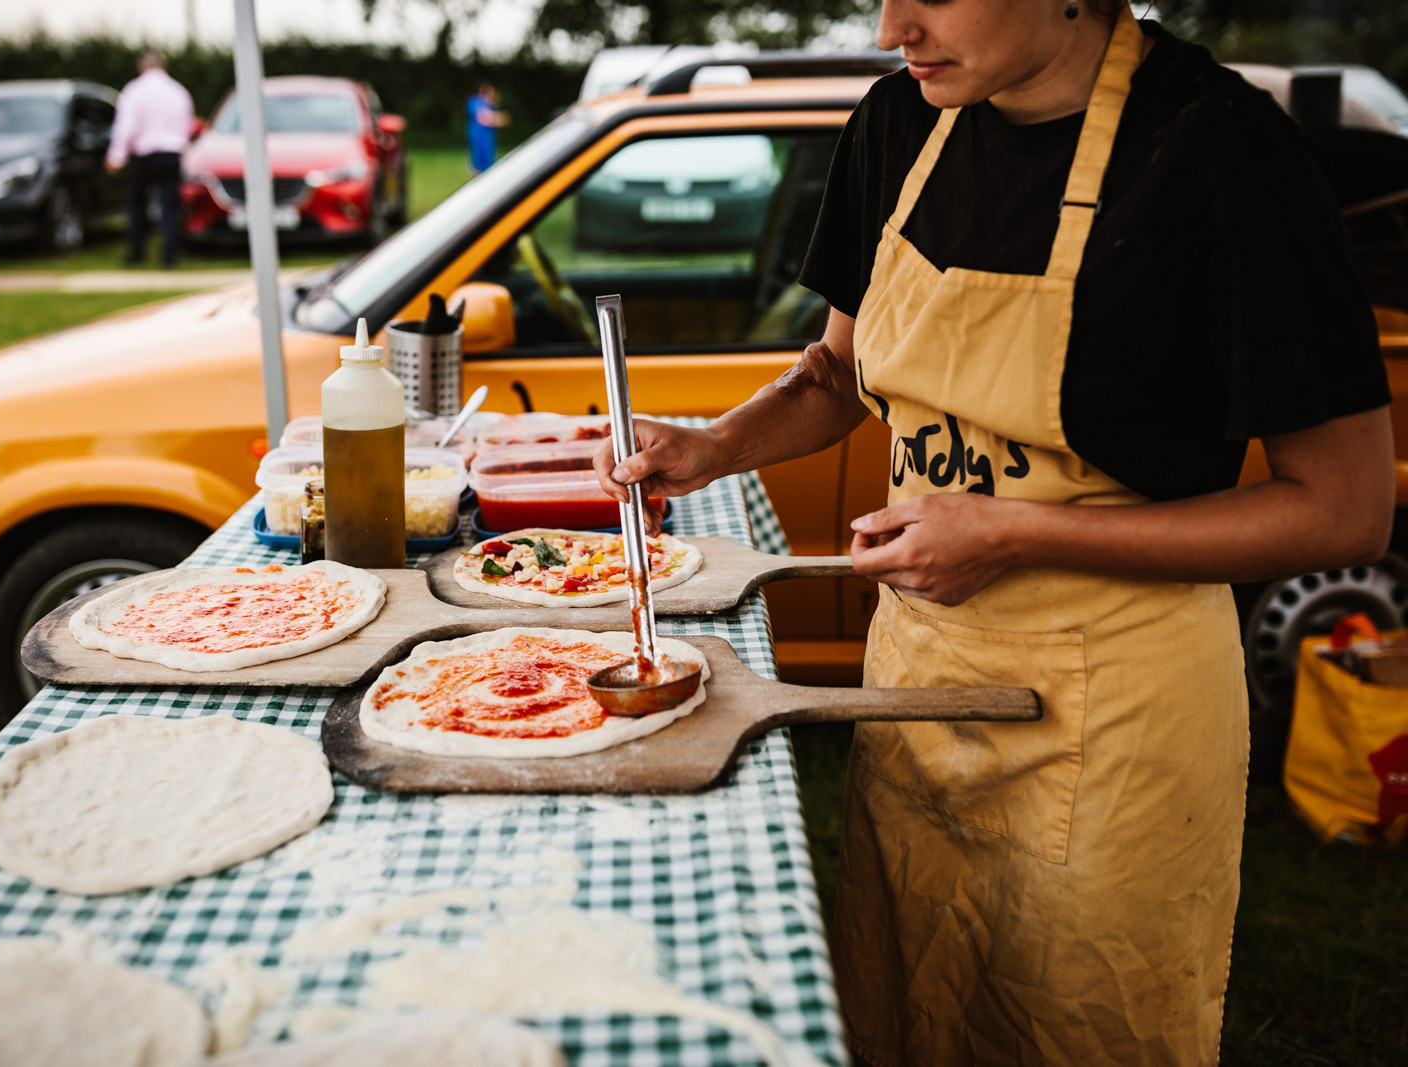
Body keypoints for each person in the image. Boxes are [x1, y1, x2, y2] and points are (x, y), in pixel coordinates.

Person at [595, 3, 1394, 1064]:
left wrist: (1017, 533)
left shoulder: (1220, 154)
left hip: (1115, 703)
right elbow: (834, 375)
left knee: (1076, 1025)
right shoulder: (899, 122)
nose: (892, 25)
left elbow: (1340, 504)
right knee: (911, 1001)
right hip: (919, 672)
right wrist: (712, 444)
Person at [107, 52, 195, 268]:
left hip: (145, 156)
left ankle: (138, 253)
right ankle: (169, 256)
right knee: (169, 206)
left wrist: (116, 156)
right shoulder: (179, 91)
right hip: (172, 155)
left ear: (141, 67)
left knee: (137, 205)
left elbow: (126, 127)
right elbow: (187, 126)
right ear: (165, 67)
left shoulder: (134, 90)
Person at [465, 82, 510, 174]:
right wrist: (498, 118)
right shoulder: (475, 102)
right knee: (477, 164)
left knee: (490, 163)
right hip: (477, 137)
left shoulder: (489, 105)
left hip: (488, 137)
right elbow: (483, 117)